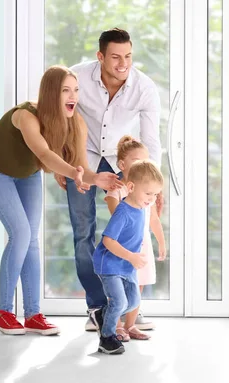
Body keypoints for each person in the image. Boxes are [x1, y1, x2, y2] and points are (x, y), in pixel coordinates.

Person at [0, 65, 123, 336]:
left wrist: (98, 179)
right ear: (49, 94)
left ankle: (32, 314)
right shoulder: (26, 116)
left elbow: (79, 166)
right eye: (65, 90)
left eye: (76, 90)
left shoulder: (74, 122)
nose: (73, 96)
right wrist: (75, 174)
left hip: (26, 173)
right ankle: (4, 312)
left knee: (31, 238)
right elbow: (45, 154)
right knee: (19, 233)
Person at [53, 28, 164, 331]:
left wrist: (152, 180)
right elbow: (59, 120)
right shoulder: (76, 78)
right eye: (115, 57)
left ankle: (127, 307)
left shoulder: (144, 88)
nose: (123, 63)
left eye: (128, 56)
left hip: (122, 161)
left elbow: (152, 141)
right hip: (83, 159)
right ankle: (98, 307)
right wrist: (60, 165)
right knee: (83, 231)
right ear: (100, 56)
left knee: (132, 232)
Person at [90, 160, 165, 354]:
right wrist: (131, 256)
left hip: (127, 265)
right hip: (110, 265)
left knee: (132, 302)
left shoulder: (143, 208)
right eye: (148, 193)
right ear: (130, 187)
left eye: (155, 194)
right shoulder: (123, 212)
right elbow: (108, 241)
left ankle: (102, 314)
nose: (152, 198)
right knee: (120, 302)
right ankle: (106, 338)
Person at [105, 136, 166, 341]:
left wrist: (162, 243)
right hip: (123, 246)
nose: (143, 165)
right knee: (119, 286)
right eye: (137, 161)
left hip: (142, 246)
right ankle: (117, 325)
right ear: (122, 164)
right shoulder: (119, 189)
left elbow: (154, 220)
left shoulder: (147, 194)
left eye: (145, 161)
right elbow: (117, 216)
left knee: (138, 285)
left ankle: (130, 325)